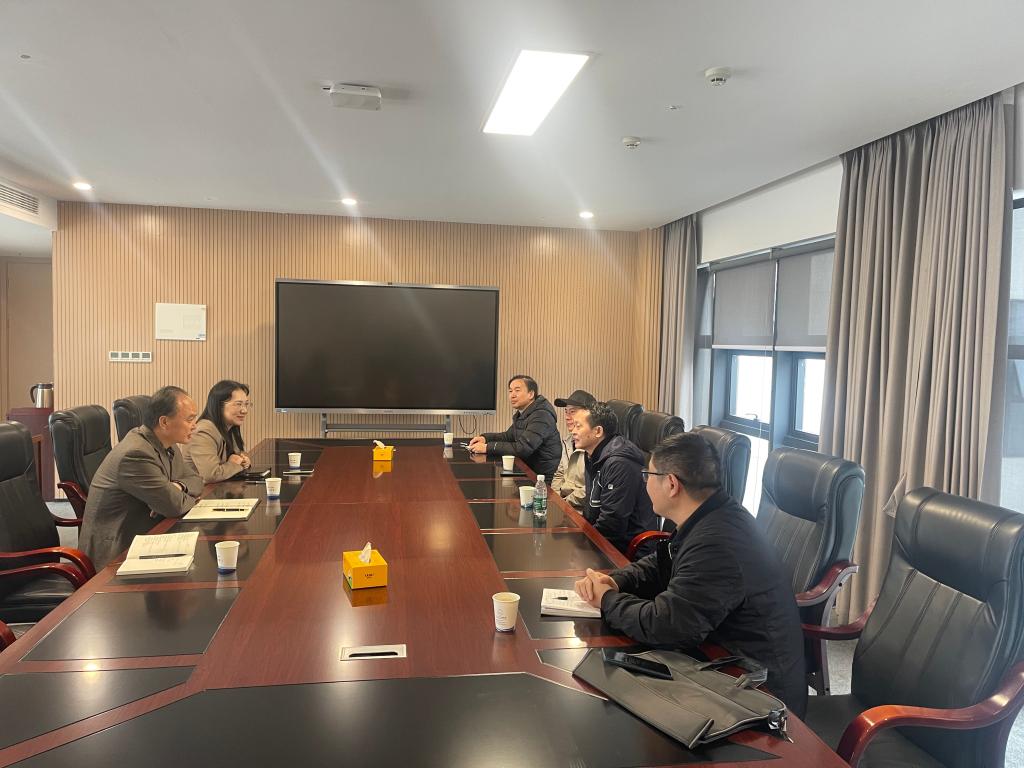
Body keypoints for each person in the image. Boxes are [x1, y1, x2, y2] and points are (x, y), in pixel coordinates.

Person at [574, 433, 808, 718]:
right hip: (719, 659)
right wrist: (618, 581)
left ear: (671, 484)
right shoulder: (710, 514)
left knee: (610, 703)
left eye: (648, 475)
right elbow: (664, 561)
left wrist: (607, 600)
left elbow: (667, 626)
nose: (644, 482)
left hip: (757, 693)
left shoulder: (717, 542)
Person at [78, 386, 204, 570]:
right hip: (116, 554)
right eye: (189, 419)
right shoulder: (135, 454)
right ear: (164, 422)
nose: (195, 425)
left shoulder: (167, 443)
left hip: (146, 534)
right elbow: (174, 505)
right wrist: (174, 496)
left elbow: (196, 480)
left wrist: (178, 486)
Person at [571, 402, 657, 555]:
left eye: (578, 426)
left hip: (630, 550)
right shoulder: (592, 454)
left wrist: (582, 545)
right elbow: (592, 507)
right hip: (605, 540)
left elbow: (612, 523)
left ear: (598, 431)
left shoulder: (619, 463)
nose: (573, 431)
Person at [468, 375, 561, 478]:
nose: (512, 395)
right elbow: (507, 437)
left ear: (531, 394)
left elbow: (522, 448)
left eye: (517, 390)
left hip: (542, 478)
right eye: (510, 391)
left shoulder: (541, 416)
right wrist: (485, 438)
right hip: (527, 471)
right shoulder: (523, 414)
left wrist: (488, 447)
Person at [184, 380, 253, 482]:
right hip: (201, 490)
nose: (244, 410)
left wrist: (244, 460)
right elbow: (211, 474)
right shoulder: (203, 431)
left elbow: (237, 455)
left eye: (246, 404)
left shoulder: (229, 427)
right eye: (238, 404)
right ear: (219, 405)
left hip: (218, 488)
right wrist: (236, 465)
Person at [551, 389, 595, 510]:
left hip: (582, 509)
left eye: (572, 412)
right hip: (565, 506)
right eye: (566, 412)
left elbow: (591, 488)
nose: (567, 417)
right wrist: (555, 499)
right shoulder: (568, 441)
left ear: (588, 414)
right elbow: (559, 474)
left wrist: (565, 501)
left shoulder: (593, 444)